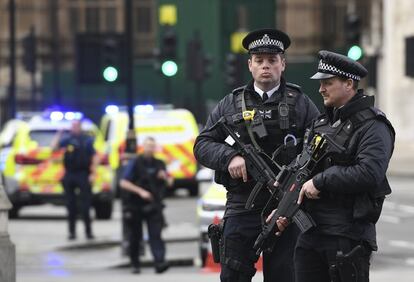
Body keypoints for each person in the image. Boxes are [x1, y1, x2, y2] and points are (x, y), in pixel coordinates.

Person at [193, 28, 320, 282]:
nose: (266, 66)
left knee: (285, 276)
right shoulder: (230, 104)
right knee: (233, 275)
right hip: (243, 205)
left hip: (286, 207)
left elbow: (318, 146)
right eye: (259, 60)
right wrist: (229, 157)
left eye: (272, 60)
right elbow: (203, 144)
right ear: (249, 65)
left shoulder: (301, 103)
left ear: (282, 64)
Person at [286, 50, 395, 282]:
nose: (321, 89)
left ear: (349, 84)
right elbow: (303, 168)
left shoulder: (374, 126)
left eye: (328, 83)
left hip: (347, 234)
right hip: (311, 233)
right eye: (321, 83)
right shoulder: (321, 123)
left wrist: (320, 181)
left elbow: (369, 172)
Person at [119, 136, 170, 274]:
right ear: (143, 147)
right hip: (135, 205)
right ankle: (135, 264)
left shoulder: (159, 163)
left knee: (156, 234)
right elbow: (124, 183)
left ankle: (160, 262)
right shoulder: (135, 162)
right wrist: (140, 192)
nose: (150, 148)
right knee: (135, 236)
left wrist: (164, 177)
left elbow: (170, 183)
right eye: (148, 146)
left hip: (153, 204)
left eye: (152, 146)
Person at [51, 119, 98, 240]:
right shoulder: (67, 139)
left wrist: (93, 173)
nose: (74, 128)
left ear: (80, 127)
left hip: (83, 174)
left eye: (76, 126)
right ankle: (72, 233)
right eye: (72, 126)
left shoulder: (87, 139)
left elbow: (94, 156)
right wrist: (59, 133)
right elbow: (54, 147)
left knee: (85, 206)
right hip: (70, 175)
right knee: (70, 205)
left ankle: (89, 232)